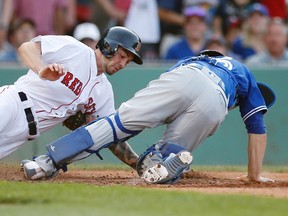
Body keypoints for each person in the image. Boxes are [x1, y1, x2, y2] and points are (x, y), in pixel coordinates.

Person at [22, 49, 274, 184]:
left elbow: (173, 90)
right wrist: (254, 176)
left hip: (183, 76)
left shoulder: (197, 58)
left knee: (115, 125)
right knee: (169, 152)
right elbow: (257, 129)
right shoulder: (246, 77)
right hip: (215, 100)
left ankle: (44, 163)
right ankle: (163, 162)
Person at [0, 26, 143, 172]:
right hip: (13, 103)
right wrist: (41, 69)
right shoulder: (75, 49)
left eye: (128, 61)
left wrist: (139, 165)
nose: (123, 64)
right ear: (108, 47)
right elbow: (27, 47)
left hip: (22, 134)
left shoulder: (104, 92)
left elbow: (110, 135)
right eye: (123, 56)